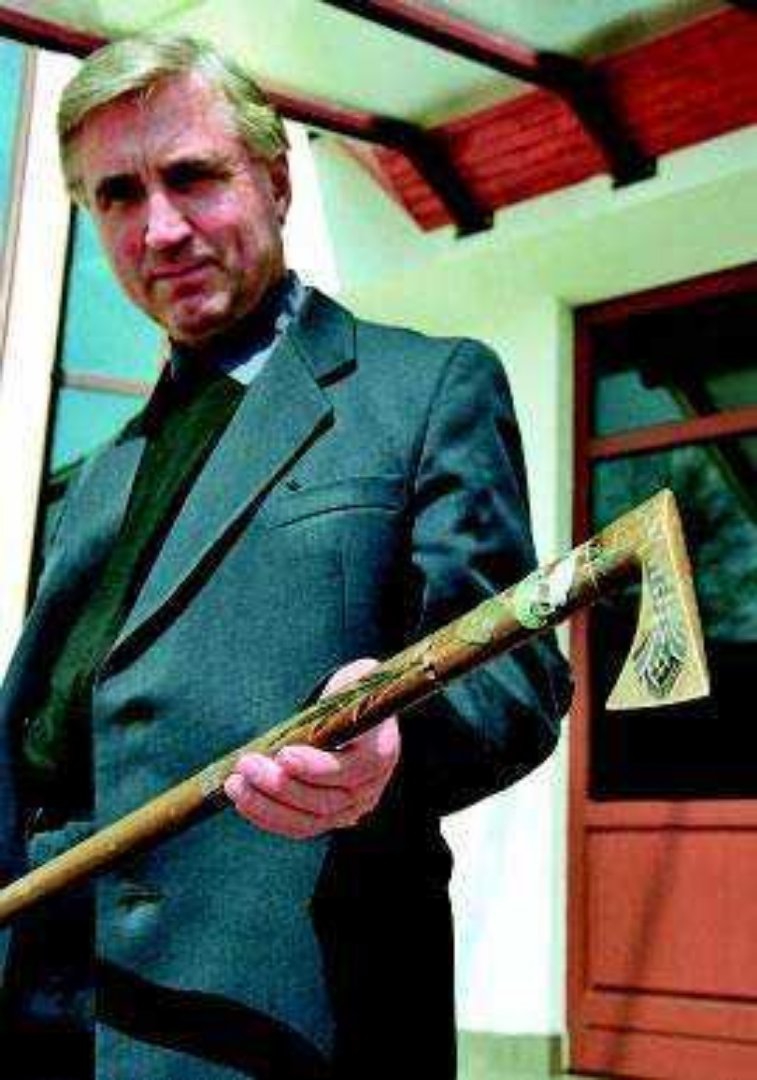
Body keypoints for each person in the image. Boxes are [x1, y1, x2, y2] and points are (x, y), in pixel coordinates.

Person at [0, 33, 572, 1080]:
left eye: (191, 176)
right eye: (118, 195)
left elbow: (515, 669)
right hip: (47, 1012)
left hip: (275, 1030)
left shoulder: (423, 388)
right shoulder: (96, 476)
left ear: (273, 180)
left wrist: (397, 737)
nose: (160, 228)